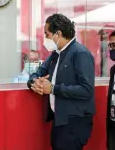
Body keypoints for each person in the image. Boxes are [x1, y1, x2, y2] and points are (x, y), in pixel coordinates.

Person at [27, 13, 95, 150]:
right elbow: (38, 72)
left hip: (74, 122)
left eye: (47, 34)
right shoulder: (55, 54)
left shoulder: (80, 53)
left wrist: (52, 89)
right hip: (59, 119)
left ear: (58, 33)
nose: (45, 38)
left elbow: (86, 90)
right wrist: (35, 82)